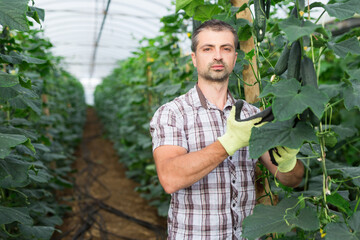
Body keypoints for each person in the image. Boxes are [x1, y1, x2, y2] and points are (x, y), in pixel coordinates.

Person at [149, 19, 304, 239]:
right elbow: (170, 178)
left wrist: (287, 162)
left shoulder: (252, 115)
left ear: (235, 58)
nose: (218, 56)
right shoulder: (173, 113)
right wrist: (229, 142)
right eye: (207, 48)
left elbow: (293, 180)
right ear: (194, 58)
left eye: (226, 48)